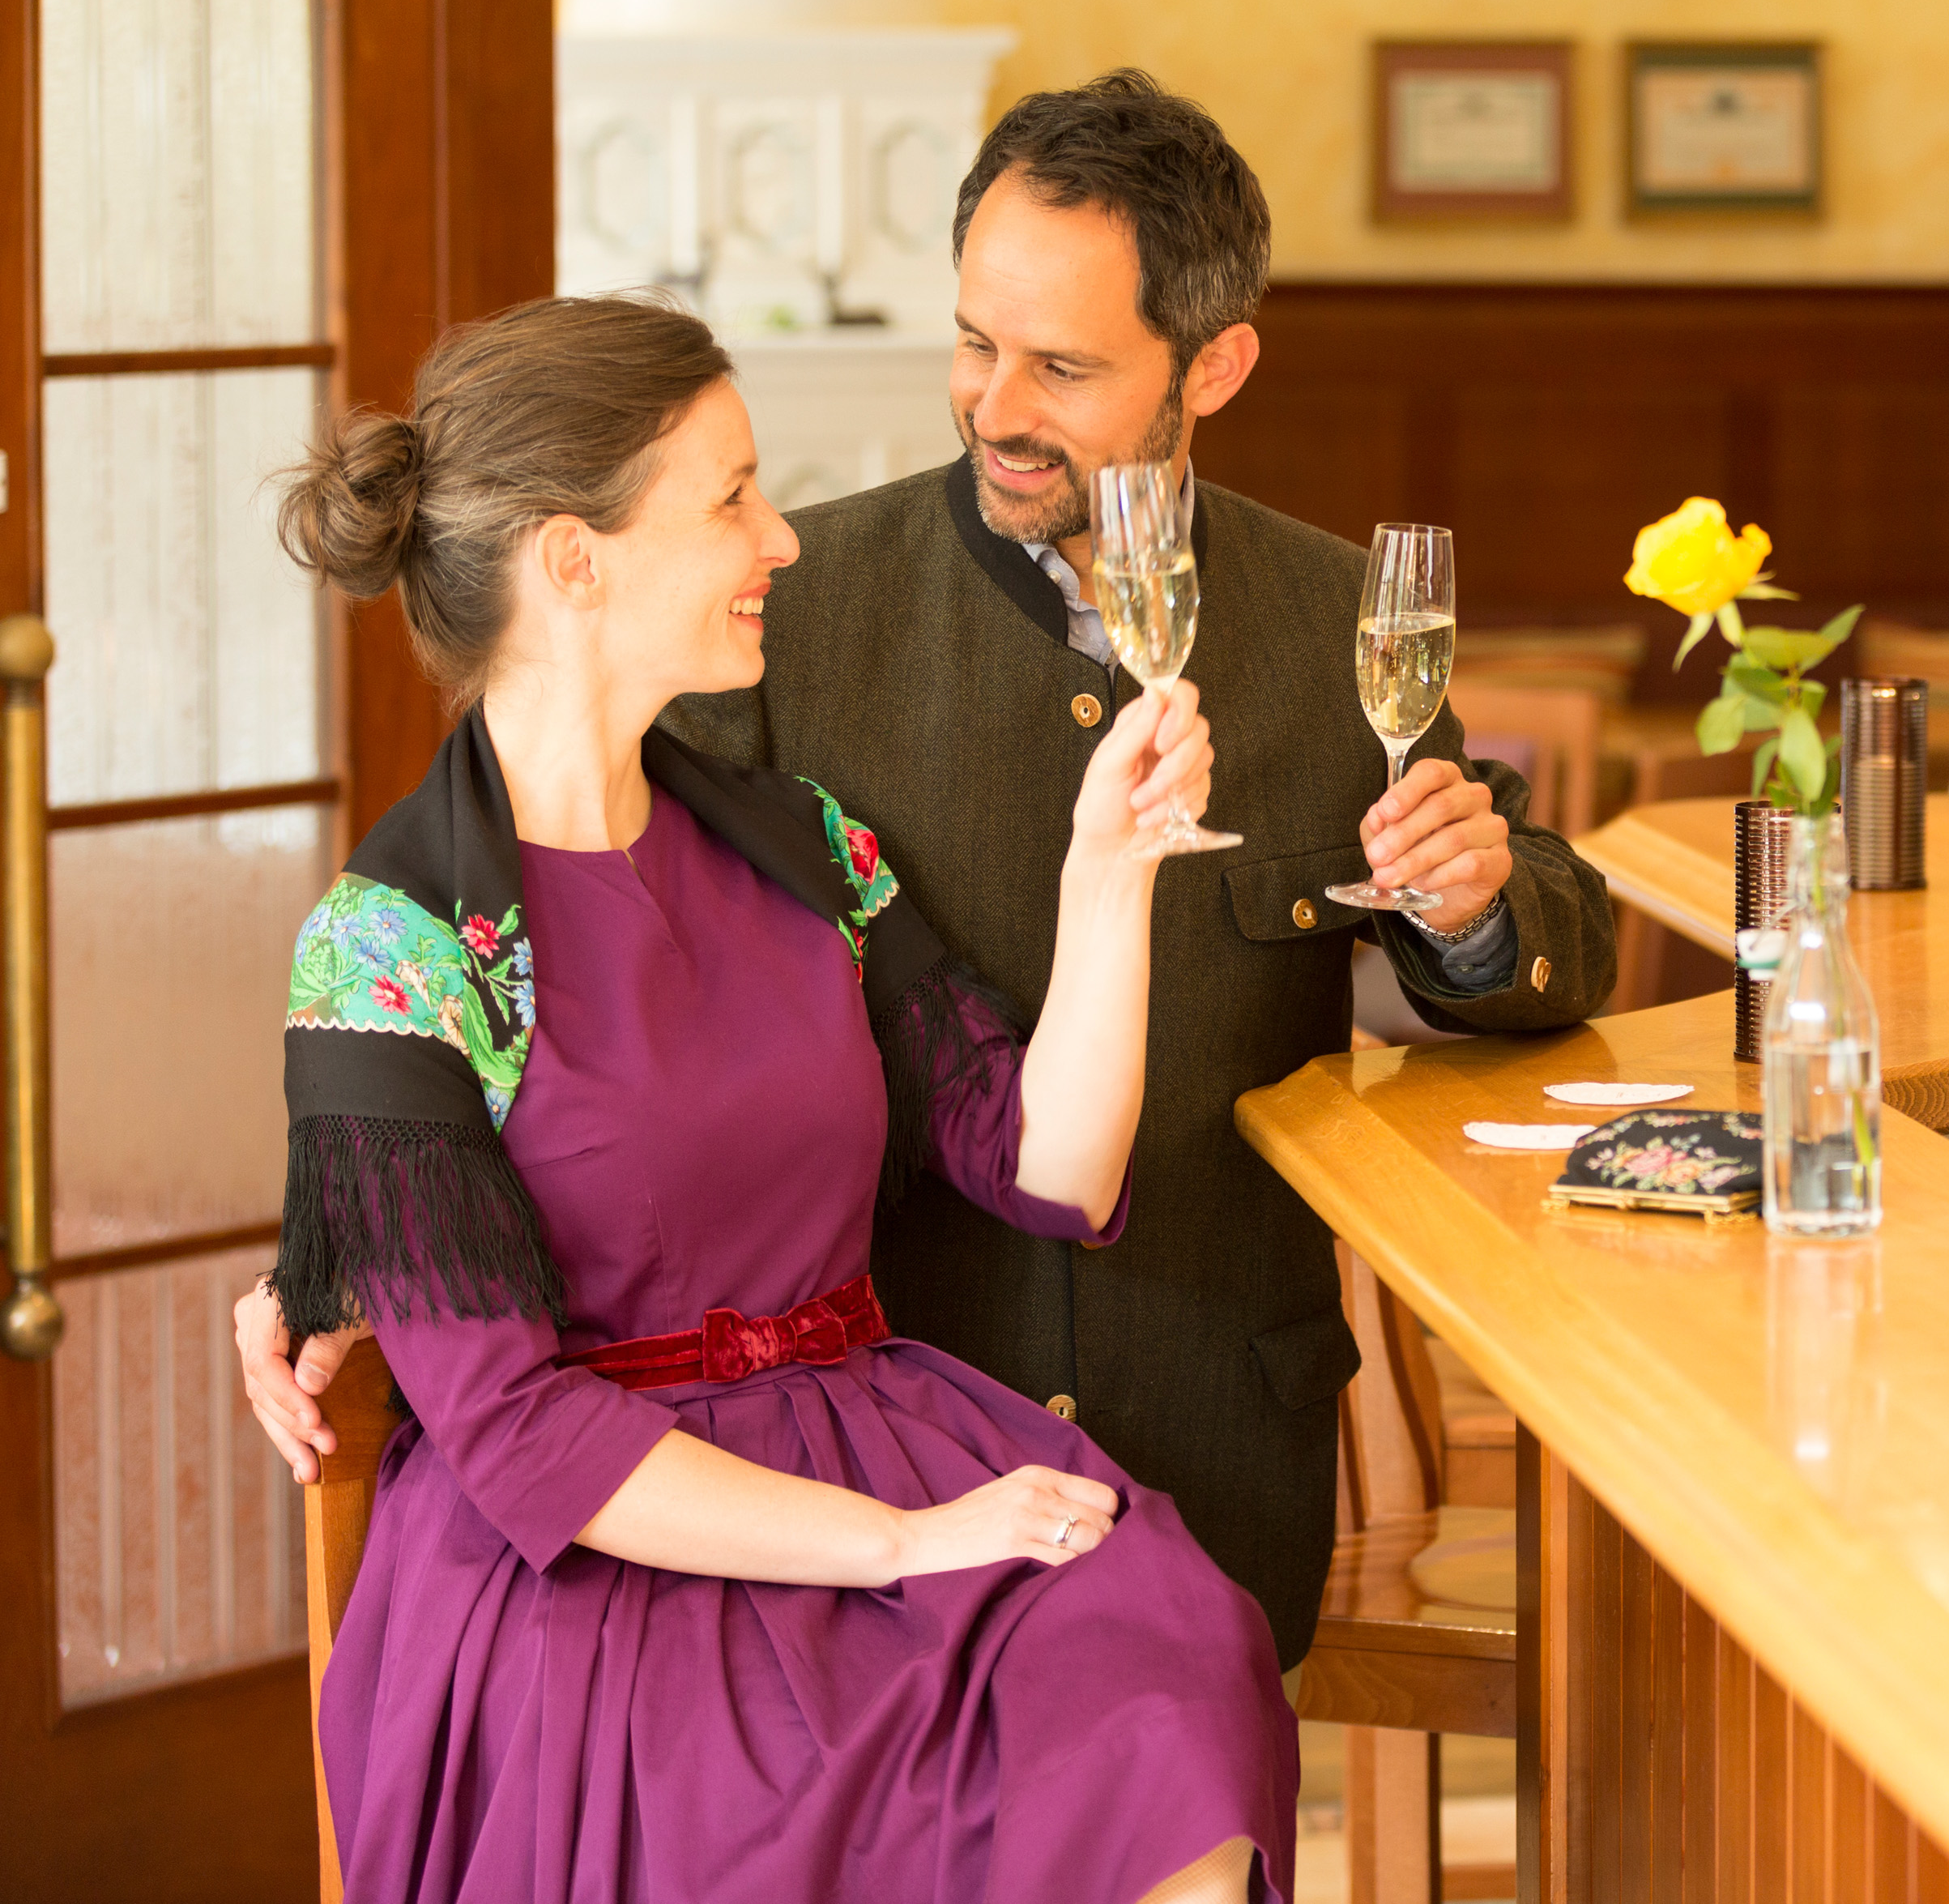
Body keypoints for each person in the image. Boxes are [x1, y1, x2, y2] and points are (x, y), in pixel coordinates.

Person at [241, 71, 1618, 1665]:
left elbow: (1552, 939)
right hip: (860, 1473)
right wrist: (340, 1251)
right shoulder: (792, 609)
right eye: (973, 342)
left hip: (1218, 1437)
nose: (994, 404)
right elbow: (553, 981)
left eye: (1063, 366)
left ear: (1214, 364)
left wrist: (1474, 905)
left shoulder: (1335, 623)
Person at [270, 293, 1291, 1903]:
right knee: (777, 1813)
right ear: (574, 560)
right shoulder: (387, 949)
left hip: (874, 1446)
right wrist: (905, 1544)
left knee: (1161, 1678)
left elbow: (1053, 1167)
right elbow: (523, 1439)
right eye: (731, 497)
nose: (783, 540)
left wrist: (1109, 870)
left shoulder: (805, 846)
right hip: (604, 1568)